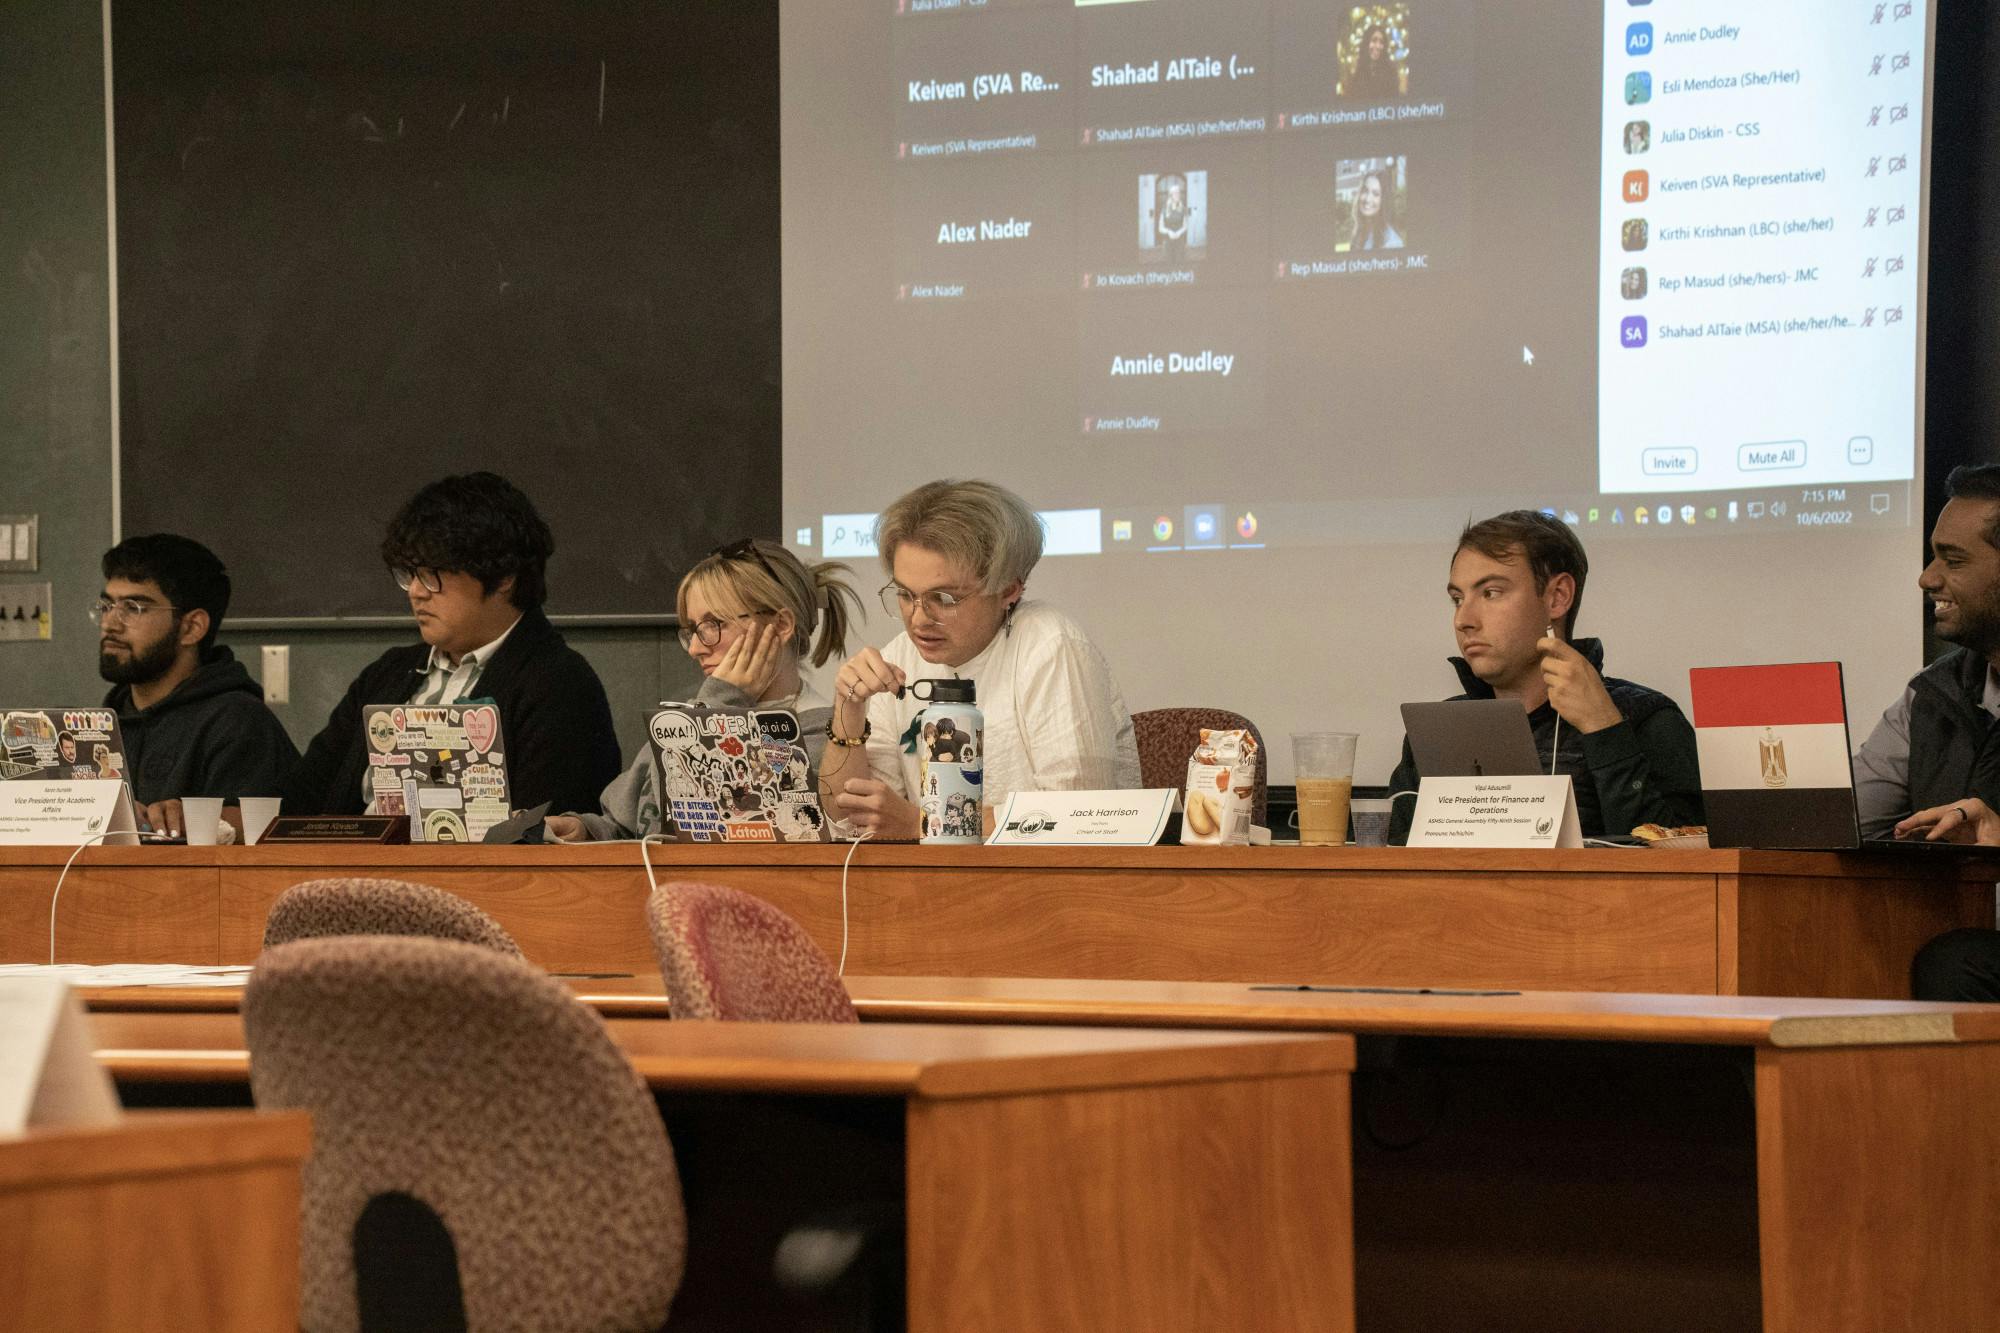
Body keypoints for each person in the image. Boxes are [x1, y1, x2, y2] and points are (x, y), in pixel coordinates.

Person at [278, 472, 621, 824]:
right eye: (409, 573)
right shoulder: (388, 673)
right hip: (347, 868)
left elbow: (548, 835)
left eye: (433, 574)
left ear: (503, 577)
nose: (415, 591)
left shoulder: (559, 683)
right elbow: (299, 803)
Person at [823, 479, 1140, 839]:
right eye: (905, 595)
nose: (919, 618)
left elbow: (1082, 816)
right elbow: (850, 823)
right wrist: (848, 711)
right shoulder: (898, 656)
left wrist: (922, 824)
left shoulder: (1051, 645)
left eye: (943, 598)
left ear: (1008, 588)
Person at [1386, 510, 1703, 844]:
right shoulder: (1441, 729)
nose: (1463, 619)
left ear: (1557, 597)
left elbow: (1692, 867)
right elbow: (1385, 861)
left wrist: (1606, 732)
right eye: (1457, 599)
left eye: (1491, 593)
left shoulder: (1647, 719)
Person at [546, 538, 860, 841]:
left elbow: (705, 821)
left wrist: (722, 700)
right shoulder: (694, 710)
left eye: (713, 626)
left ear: (780, 626)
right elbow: (628, 824)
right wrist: (587, 830)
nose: (695, 647)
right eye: (692, 630)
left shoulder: (822, 734)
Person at [92, 534, 298, 820]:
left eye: (133, 608)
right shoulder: (103, 723)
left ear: (192, 627)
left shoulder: (239, 723)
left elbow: (255, 847)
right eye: (107, 606)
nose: (110, 623)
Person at [1349, 168, 1404, 251]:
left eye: (1376, 194)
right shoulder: (1359, 232)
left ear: (1384, 200)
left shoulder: (1392, 242)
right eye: (1365, 191)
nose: (1368, 199)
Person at [1342, 23, 1401, 100]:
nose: (1378, 46)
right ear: (1366, 43)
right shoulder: (1357, 70)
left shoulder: (1391, 72)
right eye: (1374, 40)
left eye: (1381, 42)